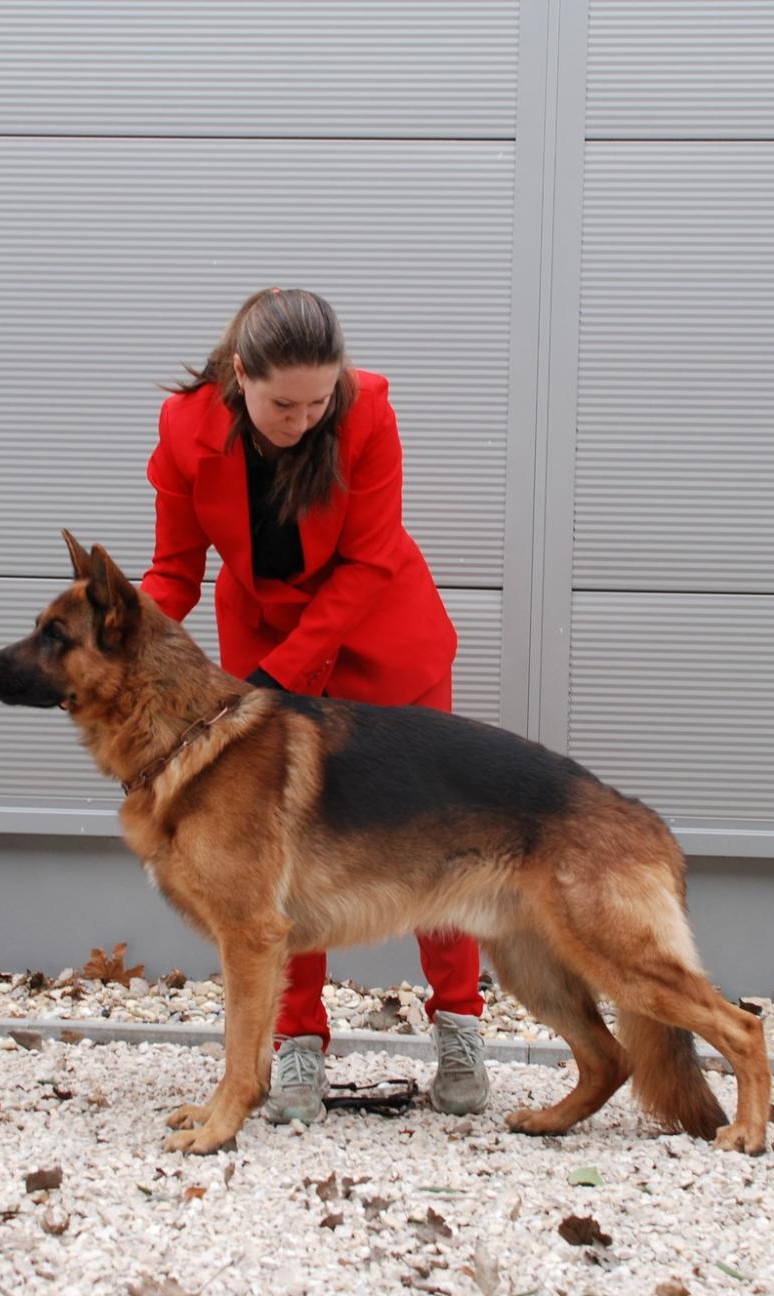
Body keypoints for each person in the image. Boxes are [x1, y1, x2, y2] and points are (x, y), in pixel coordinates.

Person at [138, 286, 488, 1123]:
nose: (302, 419)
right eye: (280, 404)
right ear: (237, 376)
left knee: (440, 845)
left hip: (384, 645)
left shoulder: (369, 416)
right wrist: (119, 635)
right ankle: (296, 1047)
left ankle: (460, 1030)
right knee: (270, 859)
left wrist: (276, 680)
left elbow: (367, 566)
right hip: (266, 655)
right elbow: (175, 571)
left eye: (317, 400)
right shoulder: (185, 430)